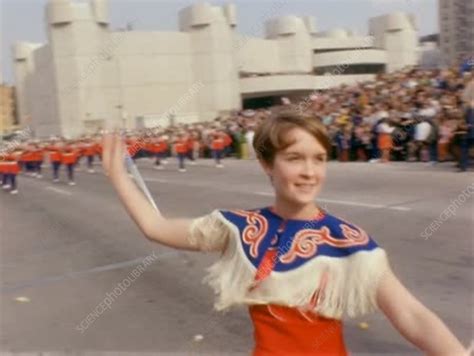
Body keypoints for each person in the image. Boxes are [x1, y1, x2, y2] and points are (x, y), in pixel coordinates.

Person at [102, 112, 467, 356]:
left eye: (319, 158)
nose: (309, 172)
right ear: (267, 164)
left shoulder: (348, 241)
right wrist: (119, 177)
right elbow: (156, 228)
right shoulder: (239, 228)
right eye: (294, 158)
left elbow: (409, 313)